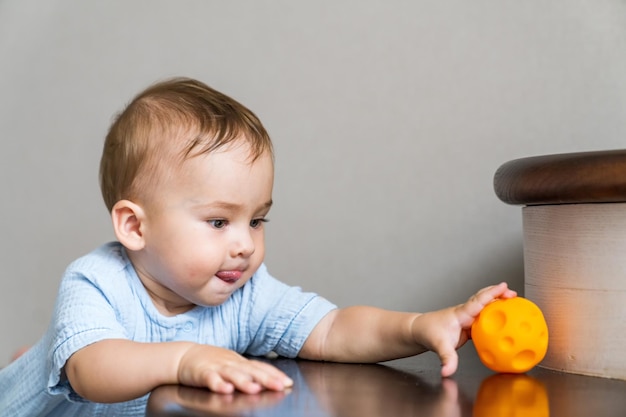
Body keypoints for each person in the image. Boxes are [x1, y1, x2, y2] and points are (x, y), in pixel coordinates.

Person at [0, 77, 516, 416]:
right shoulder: (96, 281)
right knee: (57, 363)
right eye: (219, 220)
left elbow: (332, 330)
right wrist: (185, 361)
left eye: (258, 220)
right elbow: (93, 371)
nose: (245, 244)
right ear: (135, 227)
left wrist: (421, 326)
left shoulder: (243, 293)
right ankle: (31, 364)